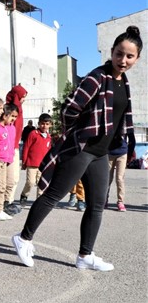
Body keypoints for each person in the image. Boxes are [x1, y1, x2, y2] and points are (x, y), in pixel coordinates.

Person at [12, 25, 141, 271]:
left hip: (101, 152)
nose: (123, 60)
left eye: (129, 56)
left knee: (96, 204)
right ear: (111, 52)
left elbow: (122, 118)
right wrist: (77, 133)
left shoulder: (123, 82)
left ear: (137, 58)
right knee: (53, 194)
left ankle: (85, 255)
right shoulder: (97, 76)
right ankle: (23, 238)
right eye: (119, 54)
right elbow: (70, 108)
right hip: (82, 148)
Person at [0, 103, 19, 221]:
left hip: (9, 158)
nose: (14, 119)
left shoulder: (12, 127)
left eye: (15, 117)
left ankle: (2, 207)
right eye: (12, 116)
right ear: (5, 115)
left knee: (9, 183)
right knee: (0, 185)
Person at [19, 113, 52, 207]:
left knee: (41, 184)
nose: (44, 126)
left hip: (43, 165)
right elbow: (26, 147)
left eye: (46, 124)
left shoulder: (49, 137)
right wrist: (24, 161)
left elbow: (49, 151)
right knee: (30, 182)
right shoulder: (33, 134)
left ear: (50, 125)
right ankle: (24, 195)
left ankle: (39, 201)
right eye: (42, 123)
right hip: (32, 163)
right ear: (38, 123)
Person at [5, 85, 28, 214]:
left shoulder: (18, 108)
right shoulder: (12, 109)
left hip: (14, 146)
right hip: (8, 148)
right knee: (10, 178)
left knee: (15, 178)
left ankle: (9, 200)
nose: (24, 99)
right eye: (22, 96)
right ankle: (5, 202)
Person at [107, 132, 135, 211]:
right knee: (107, 178)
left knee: (120, 178)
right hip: (109, 153)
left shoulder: (126, 120)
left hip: (122, 153)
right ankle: (104, 199)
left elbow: (132, 139)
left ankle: (120, 201)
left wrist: (129, 155)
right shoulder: (110, 120)